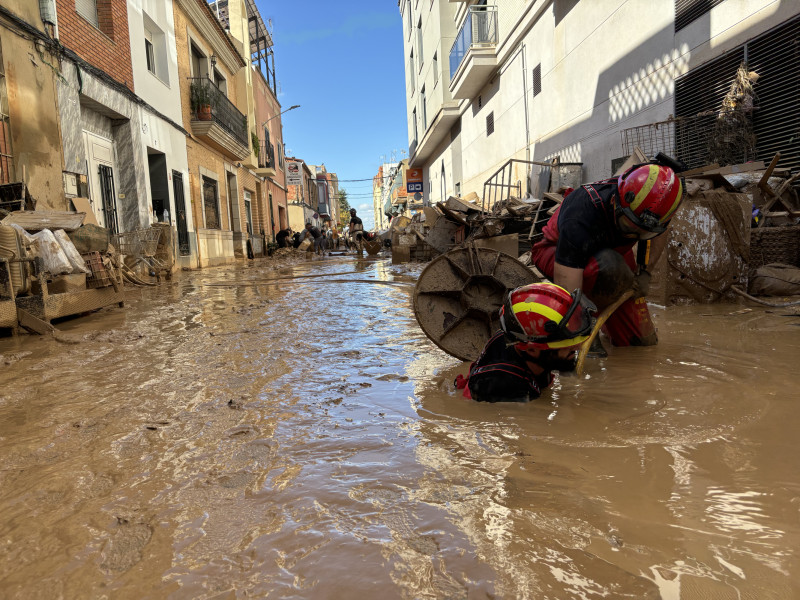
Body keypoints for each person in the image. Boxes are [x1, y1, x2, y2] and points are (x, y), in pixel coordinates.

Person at [530, 162, 683, 350]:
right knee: (610, 268)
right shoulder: (580, 215)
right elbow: (568, 288)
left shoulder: (655, 211)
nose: (633, 235)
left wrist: (645, 272)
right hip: (555, 251)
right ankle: (592, 318)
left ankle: (604, 318)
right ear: (616, 202)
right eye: (628, 227)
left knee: (641, 343)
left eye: (643, 233)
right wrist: (579, 330)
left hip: (612, 253)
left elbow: (659, 232)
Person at [455, 283, 596, 403]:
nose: (579, 347)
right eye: (569, 348)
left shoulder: (521, 340)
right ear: (532, 350)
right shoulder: (509, 385)